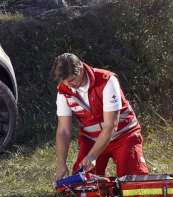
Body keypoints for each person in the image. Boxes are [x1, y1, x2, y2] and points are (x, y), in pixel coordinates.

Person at [53, 53, 149, 181]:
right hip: (92, 141)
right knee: (80, 185)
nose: (69, 85)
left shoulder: (107, 80)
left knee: (135, 183)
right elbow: (63, 131)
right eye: (64, 82)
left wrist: (92, 156)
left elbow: (111, 125)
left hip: (123, 136)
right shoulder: (64, 90)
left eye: (71, 80)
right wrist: (61, 164)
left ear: (81, 69)